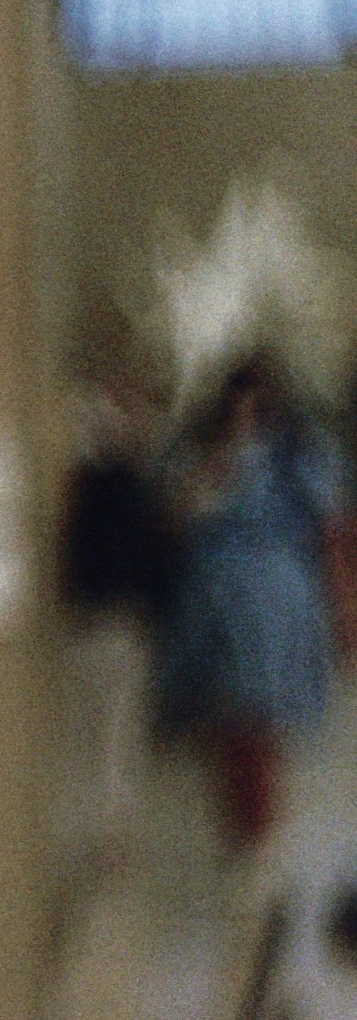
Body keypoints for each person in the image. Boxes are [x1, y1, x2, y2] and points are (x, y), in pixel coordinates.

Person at [153, 354, 357, 855]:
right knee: (221, 725)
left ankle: (259, 839)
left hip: (275, 603)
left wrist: (344, 611)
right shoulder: (201, 452)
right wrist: (219, 463)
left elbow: (331, 532)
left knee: (261, 725)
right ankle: (237, 835)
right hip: (210, 601)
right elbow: (173, 523)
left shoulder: (300, 453)